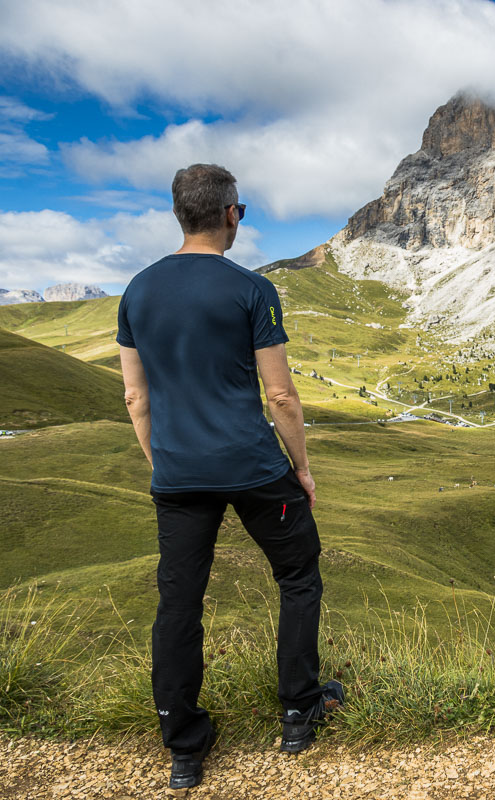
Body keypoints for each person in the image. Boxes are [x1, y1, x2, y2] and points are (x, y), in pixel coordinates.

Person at [117, 164, 343, 790]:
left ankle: (184, 746)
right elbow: (282, 395)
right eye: (240, 211)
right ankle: (299, 710)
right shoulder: (252, 290)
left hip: (179, 474)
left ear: (177, 214)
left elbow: (137, 400)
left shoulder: (136, 291)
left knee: (179, 602)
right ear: (231, 215)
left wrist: (163, 465)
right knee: (298, 576)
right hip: (254, 468)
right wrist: (300, 468)